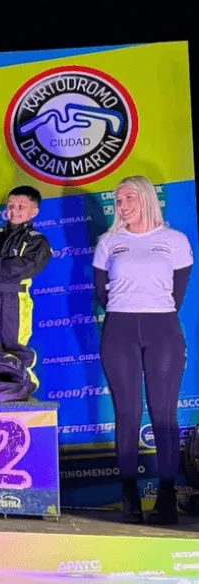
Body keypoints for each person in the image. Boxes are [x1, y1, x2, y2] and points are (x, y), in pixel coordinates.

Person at [93, 175, 193, 525]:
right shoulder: (108, 242)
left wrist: (151, 311)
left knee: (163, 413)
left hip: (162, 329)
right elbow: (102, 293)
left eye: (129, 198)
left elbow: (177, 294)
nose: (122, 206)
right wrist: (127, 311)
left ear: (146, 198)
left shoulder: (174, 241)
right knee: (127, 413)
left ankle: (166, 495)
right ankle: (129, 495)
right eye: (118, 201)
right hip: (118, 330)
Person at [0, 186, 52, 391]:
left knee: (13, 343)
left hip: (14, 297)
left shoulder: (36, 240)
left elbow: (27, 266)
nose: (14, 210)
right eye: (11, 205)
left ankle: (24, 384)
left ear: (34, 212)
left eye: (21, 206)